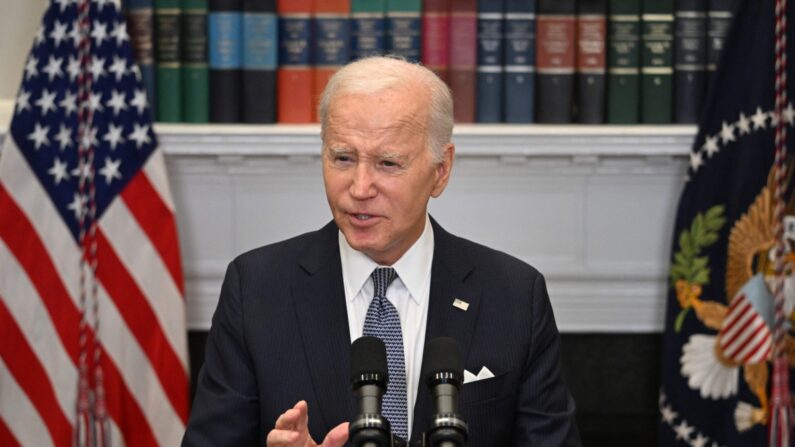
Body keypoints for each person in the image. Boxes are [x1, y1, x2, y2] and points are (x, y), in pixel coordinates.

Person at [182, 56, 580, 447]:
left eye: (388, 163)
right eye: (343, 158)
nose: (359, 188)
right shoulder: (255, 289)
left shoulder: (513, 296)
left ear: (440, 171)